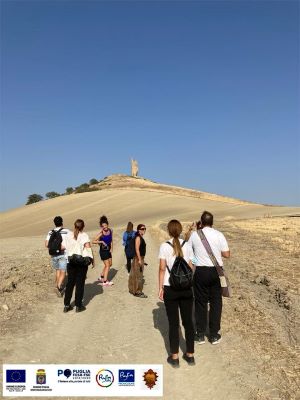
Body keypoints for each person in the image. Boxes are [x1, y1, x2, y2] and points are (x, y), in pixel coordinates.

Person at [188, 211, 230, 345]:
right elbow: (227, 254)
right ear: (212, 222)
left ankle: (200, 335)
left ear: (201, 221)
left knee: (200, 302)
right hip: (216, 272)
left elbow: (188, 253)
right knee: (216, 303)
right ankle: (213, 335)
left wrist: (196, 259)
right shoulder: (219, 235)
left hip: (200, 271)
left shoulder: (195, 235)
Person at [158, 219, 195, 368]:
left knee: (174, 324)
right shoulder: (188, 245)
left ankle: (174, 357)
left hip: (170, 288)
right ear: (180, 230)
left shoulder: (164, 246)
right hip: (186, 288)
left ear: (168, 230)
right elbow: (192, 266)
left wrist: (160, 287)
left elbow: (161, 268)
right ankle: (190, 355)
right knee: (188, 322)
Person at [64, 219, 94, 313]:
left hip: (70, 262)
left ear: (74, 225)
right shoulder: (84, 235)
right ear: (83, 226)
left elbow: (64, 247)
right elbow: (88, 247)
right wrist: (92, 259)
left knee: (70, 283)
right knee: (80, 284)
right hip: (81, 262)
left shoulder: (68, 235)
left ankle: (66, 305)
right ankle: (78, 305)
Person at [45, 216, 70, 296]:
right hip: (63, 254)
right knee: (63, 272)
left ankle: (57, 285)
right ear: (62, 222)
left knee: (57, 270)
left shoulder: (50, 232)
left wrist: (54, 248)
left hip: (53, 255)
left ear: (54, 223)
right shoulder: (67, 231)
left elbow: (46, 244)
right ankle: (59, 287)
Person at [92, 215, 114, 286]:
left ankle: (101, 276)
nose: (105, 227)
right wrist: (101, 242)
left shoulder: (110, 230)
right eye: (103, 226)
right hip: (103, 251)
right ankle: (105, 281)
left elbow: (111, 240)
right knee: (107, 265)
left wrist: (111, 248)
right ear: (101, 227)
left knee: (110, 264)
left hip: (108, 250)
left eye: (105, 225)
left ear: (107, 225)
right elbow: (93, 241)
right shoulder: (101, 233)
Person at [128, 224, 147, 298]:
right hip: (138, 258)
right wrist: (139, 259)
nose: (144, 230)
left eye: (145, 229)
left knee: (135, 274)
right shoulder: (138, 238)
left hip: (139, 258)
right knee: (138, 275)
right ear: (138, 230)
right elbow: (137, 249)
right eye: (142, 229)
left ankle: (133, 289)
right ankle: (137, 292)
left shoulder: (140, 237)